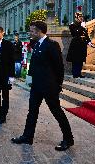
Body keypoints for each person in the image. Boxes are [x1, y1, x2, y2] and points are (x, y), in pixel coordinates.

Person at [11, 21, 74, 151]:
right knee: (32, 111)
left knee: (57, 112)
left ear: (40, 31)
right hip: (37, 86)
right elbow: (34, 64)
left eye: (32, 30)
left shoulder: (52, 45)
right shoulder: (36, 44)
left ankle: (68, 139)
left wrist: (58, 85)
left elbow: (59, 67)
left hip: (49, 87)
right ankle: (27, 137)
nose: (30, 33)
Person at [66, 12, 91, 78]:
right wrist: (82, 27)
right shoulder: (72, 25)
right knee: (75, 59)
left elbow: (85, 34)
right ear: (76, 18)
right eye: (80, 17)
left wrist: (89, 41)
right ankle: (75, 73)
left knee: (81, 59)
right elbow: (75, 33)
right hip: (76, 44)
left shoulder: (82, 25)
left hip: (82, 44)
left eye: (82, 17)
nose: (81, 18)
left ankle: (79, 73)